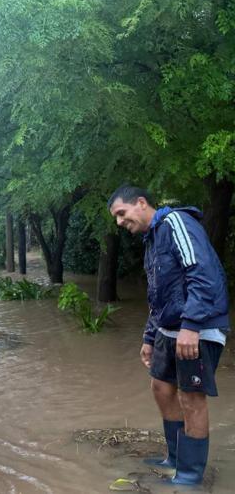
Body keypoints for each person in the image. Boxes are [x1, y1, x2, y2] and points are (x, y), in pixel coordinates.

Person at [108, 185, 229, 485]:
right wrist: (149, 338)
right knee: (161, 387)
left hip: (198, 328)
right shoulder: (152, 240)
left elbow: (202, 273)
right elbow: (157, 295)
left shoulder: (176, 222)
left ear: (141, 202)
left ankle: (189, 477)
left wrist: (191, 326)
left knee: (191, 397)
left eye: (121, 213)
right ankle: (175, 459)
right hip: (168, 329)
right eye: (116, 218)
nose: (120, 222)